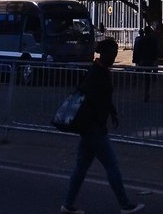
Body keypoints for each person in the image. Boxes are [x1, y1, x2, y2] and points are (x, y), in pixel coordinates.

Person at [60, 37, 145, 214]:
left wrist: (112, 112)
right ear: (105, 54)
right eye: (112, 54)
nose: (114, 57)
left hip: (89, 127)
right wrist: (102, 120)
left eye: (115, 54)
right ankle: (124, 204)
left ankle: (68, 204)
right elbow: (95, 100)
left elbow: (103, 98)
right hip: (94, 127)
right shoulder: (97, 73)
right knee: (111, 164)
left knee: (81, 167)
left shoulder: (99, 70)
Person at [132, 23, 160, 102]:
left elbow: (137, 50)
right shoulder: (153, 40)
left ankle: (141, 91)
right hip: (149, 61)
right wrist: (155, 60)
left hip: (142, 60)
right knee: (147, 77)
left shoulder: (140, 40)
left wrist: (135, 60)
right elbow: (155, 51)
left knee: (140, 76)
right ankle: (146, 92)